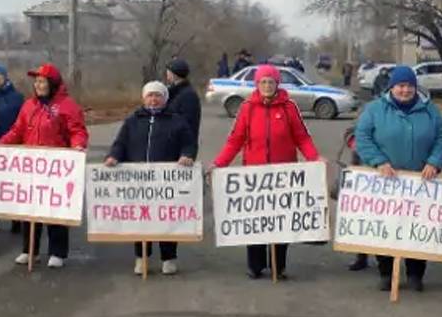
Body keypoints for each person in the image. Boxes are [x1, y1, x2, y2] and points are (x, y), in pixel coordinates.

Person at [212, 64, 321, 280]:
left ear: (277, 84)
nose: (267, 86)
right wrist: (220, 163)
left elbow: (302, 137)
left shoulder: (289, 107)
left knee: (281, 221)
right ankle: (255, 265)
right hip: (255, 177)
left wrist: (314, 158)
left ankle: (278, 266)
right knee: (256, 221)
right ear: (257, 84)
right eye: (263, 82)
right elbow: (235, 140)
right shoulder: (247, 108)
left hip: (283, 174)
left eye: (271, 82)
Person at [354, 65, 442, 291]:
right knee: (386, 228)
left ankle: (416, 274)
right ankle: (386, 272)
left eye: (410, 86)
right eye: (401, 86)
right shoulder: (375, 109)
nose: (405, 90)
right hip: (385, 182)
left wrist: (434, 162)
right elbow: (363, 137)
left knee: (417, 228)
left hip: (420, 182)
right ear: (392, 87)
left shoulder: (430, 110)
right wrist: (378, 161)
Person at [0, 63, 89, 268]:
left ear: (52, 83)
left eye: (42, 81)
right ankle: (30, 250)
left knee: (54, 210)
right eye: (36, 81)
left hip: (56, 167)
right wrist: (0, 143)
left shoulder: (67, 106)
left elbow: (78, 131)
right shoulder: (29, 105)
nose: (38, 85)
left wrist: (78, 146)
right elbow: (17, 130)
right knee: (29, 209)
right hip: (31, 167)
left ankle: (58, 252)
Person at [105, 81, 197, 275]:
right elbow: (120, 143)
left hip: (166, 181)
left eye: (158, 96)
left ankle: (169, 258)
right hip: (138, 181)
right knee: (141, 218)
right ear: (143, 98)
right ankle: (141, 257)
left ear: (165, 99)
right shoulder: (132, 121)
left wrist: (187, 155)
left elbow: (189, 143)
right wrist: (113, 156)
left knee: (166, 218)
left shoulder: (177, 121)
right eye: (150, 96)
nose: (154, 99)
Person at [0, 63, 25, 234]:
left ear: (5, 77)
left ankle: (16, 219)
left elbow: (24, 121)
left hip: (13, 145)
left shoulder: (17, 97)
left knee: (13, 185)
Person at [165, 58, 201, 149]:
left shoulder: (188, 95)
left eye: (168, 71)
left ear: (174, 74)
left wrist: (188, 150)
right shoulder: (173, 91)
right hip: (171, 144)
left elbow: (189, 125)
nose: (166, 73)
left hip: (181, 148)